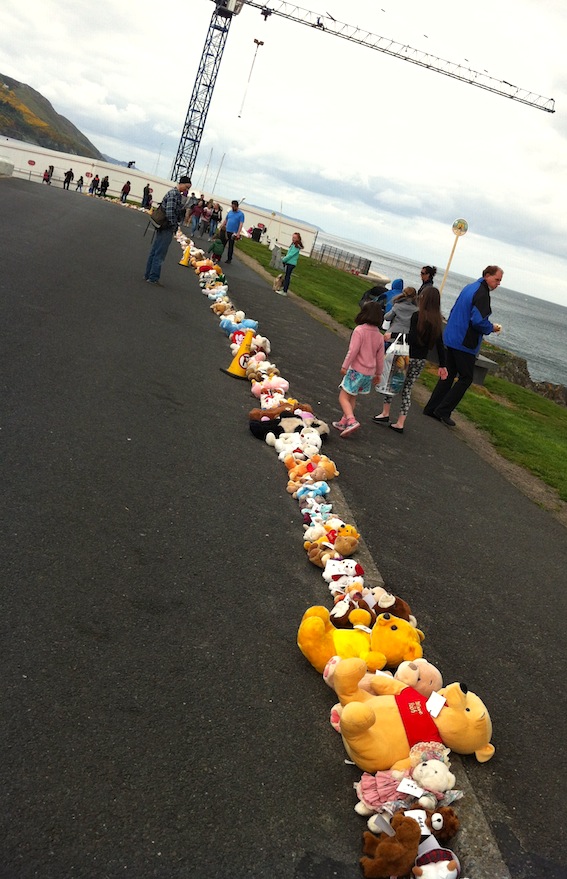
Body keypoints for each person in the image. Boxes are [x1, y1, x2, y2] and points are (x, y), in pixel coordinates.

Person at [423, 265, 503, 426]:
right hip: (464, 341)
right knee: (466, 378)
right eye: (497, 280)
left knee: (448, 374)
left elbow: (455, 309)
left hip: (452, 336)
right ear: (487, 275)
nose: (498, 284)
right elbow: (478, 321)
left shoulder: (470, 287)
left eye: (500, 281)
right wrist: (491, 328)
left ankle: (431, 408)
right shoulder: (482, 294)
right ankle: (443, 410)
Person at [373, 286, 448, 433]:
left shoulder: (417, 316)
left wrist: (393, 335)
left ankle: (385, 413)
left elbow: (411, 338)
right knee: (407, 390)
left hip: (406, 356)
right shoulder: (437, 321)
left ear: (423, 299)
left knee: (391, 382)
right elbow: (440, 344)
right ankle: (400, 423)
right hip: (420, 360)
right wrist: (442, 365)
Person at [332, 300, 385, 438]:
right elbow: (380, 357)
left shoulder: (359, 330)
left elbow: (353, 350)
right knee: (352, 396)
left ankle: (351, 420)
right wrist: (378, 373)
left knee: (343, 397)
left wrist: (345, 365)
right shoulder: (379, 336)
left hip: (356, 370)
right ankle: (344, 421)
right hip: (369, 373)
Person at [144, 175, 192, 286]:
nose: (187, 190)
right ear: (181, 184)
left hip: (162, 224)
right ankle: (153, 277)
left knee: (155, 251)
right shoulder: (174, 194)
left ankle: (148, 274)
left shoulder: (173, 193)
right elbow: (170, 212)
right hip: (166, 226)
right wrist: (175, 226)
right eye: (186, 187)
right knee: (160, 253)